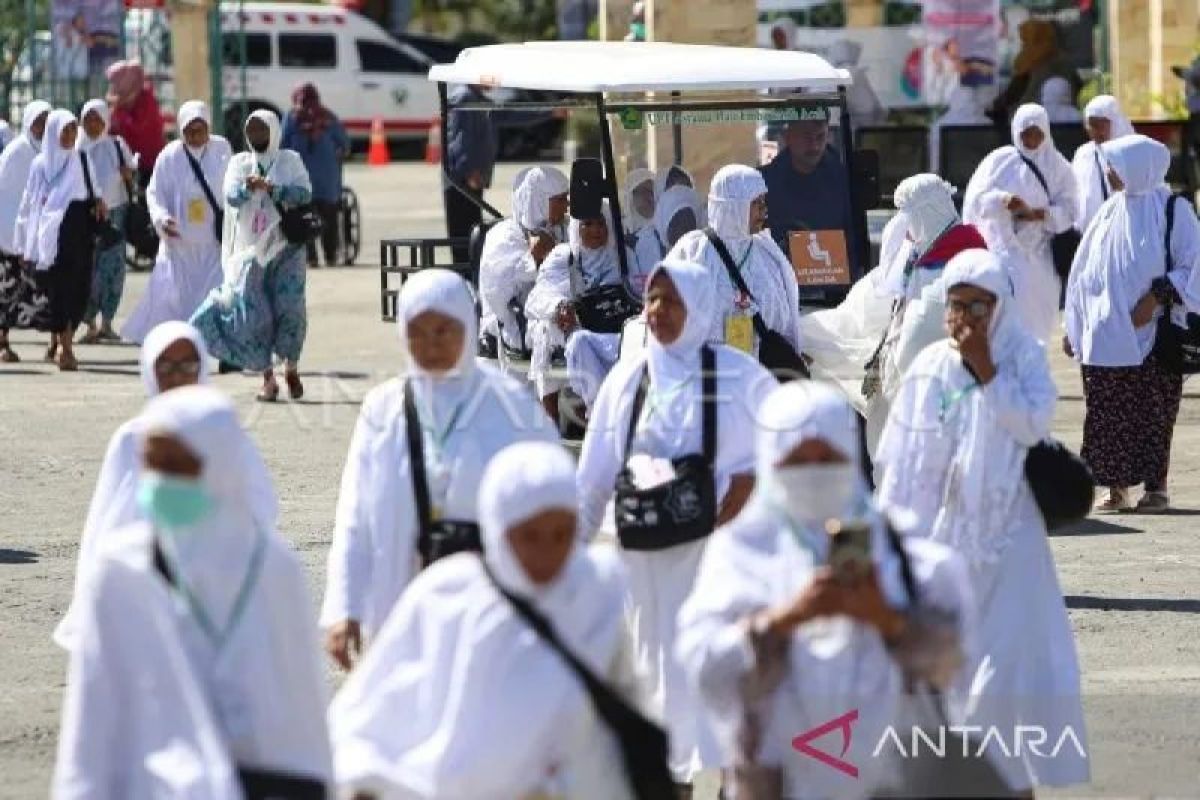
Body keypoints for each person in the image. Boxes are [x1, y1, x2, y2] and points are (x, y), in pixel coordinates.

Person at [677, 382, 974, 799]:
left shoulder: (906, 553)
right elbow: (702, 669)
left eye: (827, 459)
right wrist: (786, 619)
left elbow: (959, 670)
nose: (814, 472)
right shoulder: (740, 552)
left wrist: (886, 619)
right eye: (798, 461)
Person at [877, 249, 1089, 793]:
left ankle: (1014, 786)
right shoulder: (929, 368)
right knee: (951, 692)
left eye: (978, 304)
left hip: (1012, 551)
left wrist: (988, 371)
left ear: (1000, 305)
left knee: (1008, 688)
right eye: (956, 305)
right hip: (946, 550)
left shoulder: (1023, 356)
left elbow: (1031, 423)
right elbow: (902, 466)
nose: (965, 317)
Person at [54, 386, 332, 798]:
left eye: (177, 465)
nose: (162, 481)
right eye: (152, 464)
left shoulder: (273, 568)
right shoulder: (120, 571)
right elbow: (91, 719)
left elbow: (303, 702)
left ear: (217, 465)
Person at [329, 441, 642, 800]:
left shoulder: (596, 594)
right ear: (497, 527)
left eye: (561, 535)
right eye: (529, 536)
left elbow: (616, 725)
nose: (547, 553)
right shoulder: (449, 595)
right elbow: (368, 716)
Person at [577, 259, 775, 786]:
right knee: (656, 696)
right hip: (641, 571)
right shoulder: (627, 377)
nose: (659, 312)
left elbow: (785, 459)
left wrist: (745, 490)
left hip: (715, 564)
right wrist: (566, 561)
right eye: (653, 299)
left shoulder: (739, 377)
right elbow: (594, 477)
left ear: (700, 308)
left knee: (726, 696)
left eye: (673, 301)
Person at [320, 269, 556, 672]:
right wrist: (345, 606)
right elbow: (355, 513)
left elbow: (553, 501)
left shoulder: (510, 404)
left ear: (466, 324)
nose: (431, 345)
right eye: (418, 331)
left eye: (444, 330)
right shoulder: (383, 408)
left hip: (494, 607)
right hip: (403, 597)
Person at [53, 320, 221, 651]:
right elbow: (105, 521)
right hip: (140, 596)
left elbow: (258, 510)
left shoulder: (222, 432)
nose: (176, 376)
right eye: (165, 366)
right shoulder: (132, 438)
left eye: (188, 364)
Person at [1065, 134, 1200, 514]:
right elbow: (1083, 272)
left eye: (1117, 165)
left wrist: (1157, 296)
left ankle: (1155, 488)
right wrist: (1075, 326)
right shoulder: (1110, 211)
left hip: (1154, 333)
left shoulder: (1174, 209)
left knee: (1154, 415)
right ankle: (1116, 489)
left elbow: (1194, 266)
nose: (1110, 172)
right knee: (1107, 417)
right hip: (1105, 336)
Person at [857, 175, 987, 453]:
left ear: (926, 215)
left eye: (909, 219)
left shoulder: (964, 265)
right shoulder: (925, 254)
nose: (906, 232)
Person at [190, 110, 312, 402]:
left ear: (273, 131)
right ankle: (268, 379)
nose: (257, 136)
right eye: (252, 130)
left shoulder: (290, 160)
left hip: (287, 248)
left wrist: (274, 189)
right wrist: (247, 187)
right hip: (251, 252)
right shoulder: (240, 163)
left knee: (291, 309)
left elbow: (305, 194)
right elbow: (230, 197)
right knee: (255, 315)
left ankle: (291, 367)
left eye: (262, 130)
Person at [963, 103, 1078, 342]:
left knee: (1037, 322)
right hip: (1003, 251)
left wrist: (1041, 214)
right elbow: (976, 201)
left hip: (1040, 257)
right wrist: (1004, 201)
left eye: (1038, 134)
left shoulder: (1059, 167)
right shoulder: (999, 161)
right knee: (1001, 321)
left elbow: (1071, 209)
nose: (1032, 140)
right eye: (1026, 134)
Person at [669, 165, 803, 369]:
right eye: (755, 203)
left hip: (761, 378)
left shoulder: (766, 252)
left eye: (763, 202)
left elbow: (785, 321)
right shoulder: (694, 252)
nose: (764, 211)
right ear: (732, 206)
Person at [122, 101, 231, 345]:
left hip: (212, 241)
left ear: (208, 128)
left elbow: (232, 186)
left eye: (200, 129)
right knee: (175, 298)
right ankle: (179, 342)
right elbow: (155, 192)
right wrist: (161, 218)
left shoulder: (221, 149)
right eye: (189, 130)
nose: (195, 136)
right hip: (178, 242)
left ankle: (215, 343)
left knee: (216, 293)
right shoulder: (170, 155)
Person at [15, 109, 99, 372]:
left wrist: (100, 205)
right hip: (51, 236)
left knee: (80, 289)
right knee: (58, 290)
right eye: (65, 130)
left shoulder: (83, 160)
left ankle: (66, 340)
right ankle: (65, 346)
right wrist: (23, 242)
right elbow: (29, 202)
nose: (71, 135)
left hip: (79, 231)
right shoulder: (40, 164)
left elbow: (95, 193)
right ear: (53, 132)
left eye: (74, 129)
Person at [525, 204, 625, 418]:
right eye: (587, 224)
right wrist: (560, 306)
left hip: (616, 326)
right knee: (576, 342)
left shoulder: (621, 255)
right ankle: (600, 412)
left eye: (601, 224)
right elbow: (537, 298)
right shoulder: (564, 256)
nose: (596, 231)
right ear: (576, 228)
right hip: (577, 327)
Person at [477, 165, 569, 360]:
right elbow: (498, 293)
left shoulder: (562, 229)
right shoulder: (503, 236)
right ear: (539, 202)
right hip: (509, 328)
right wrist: (533, 259)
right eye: (560, 200)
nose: (566, 206)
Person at [77, 98, 135, 344]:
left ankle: (107, 323)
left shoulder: (117, 145)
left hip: (116, 214)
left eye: (97, 119)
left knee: (113, 271)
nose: (92, 124)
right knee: (88, 271)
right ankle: (89, 323)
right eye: (87, 119)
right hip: (86, 217)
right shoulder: (75, 148)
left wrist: (127, 174)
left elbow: (131, 173)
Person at [759, 111, 853, 253]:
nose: (814, 146)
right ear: (788, 136)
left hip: (833, 272)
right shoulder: (763, 183)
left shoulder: (845, 181)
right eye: (806, 137)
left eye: (820, 137)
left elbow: (853, 243)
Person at [0, 100, 50, 362]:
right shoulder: (17, 152)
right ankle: (2, 342)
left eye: (47, 121)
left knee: (46, 293)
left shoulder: (54, 151)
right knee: (7, 293)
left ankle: (56, 344)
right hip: (11, 236)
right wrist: (16, 239)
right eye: (38, 121)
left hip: (41, 237)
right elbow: (6, 197)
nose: (43, 127)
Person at [281, 82, 349, 269]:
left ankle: (311, 257)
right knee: (330, 217)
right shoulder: (328, 117)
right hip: (328, 181)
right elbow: (345, 144)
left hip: (301, 180)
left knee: (304, 216)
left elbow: (281, 145)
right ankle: (330, 255)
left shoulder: (292, 118)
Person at [442, 83, 499, 265]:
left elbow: (504, 115)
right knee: (464, 239)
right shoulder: (464, 98)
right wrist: (468, 171)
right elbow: (459, 138)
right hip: (461, 182)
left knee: (474, 236)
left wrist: (548, 113)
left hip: (472, 180)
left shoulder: (478, 99)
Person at [990, 19, 1080, 125]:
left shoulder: (1042, 65)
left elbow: (1020, 98)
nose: (1022, 46)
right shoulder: (1029, 63)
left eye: (1025, 41)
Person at [1072, 95, 1135, 233]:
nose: (1096, 131)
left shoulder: (1132, 152)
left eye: (1101, 124)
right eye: (1091, 125)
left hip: (1124, 231)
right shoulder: (1083, 154)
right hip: (1092, 234)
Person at [631, 184, 704, 296]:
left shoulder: (706, 255)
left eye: (689, 223)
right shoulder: (646, 254)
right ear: (664, 225)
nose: (683, 230)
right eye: (676, 223)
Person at [106, 59, 165, 185]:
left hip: (149, 162)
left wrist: (119, 111)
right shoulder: (118, 101)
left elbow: (138, 127)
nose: (114, 85)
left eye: (117, 80)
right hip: (125, 164)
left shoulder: (146, 98)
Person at [929, 84, 991, 172]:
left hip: (947, 182)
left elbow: (934, 166)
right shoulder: (987, 124)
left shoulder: (937, 126)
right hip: (981, 181)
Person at [828, 39, 886, 132]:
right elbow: (877, 108)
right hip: (863, 127)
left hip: (856, 127)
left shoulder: (847, 73)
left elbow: (832, 105)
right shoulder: (857, 73)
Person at [621, 167, 656, 244]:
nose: (649, 196)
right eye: (643, 191)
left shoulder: (663, 228)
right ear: (631, 196)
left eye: (652, 191)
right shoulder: (620, 230)